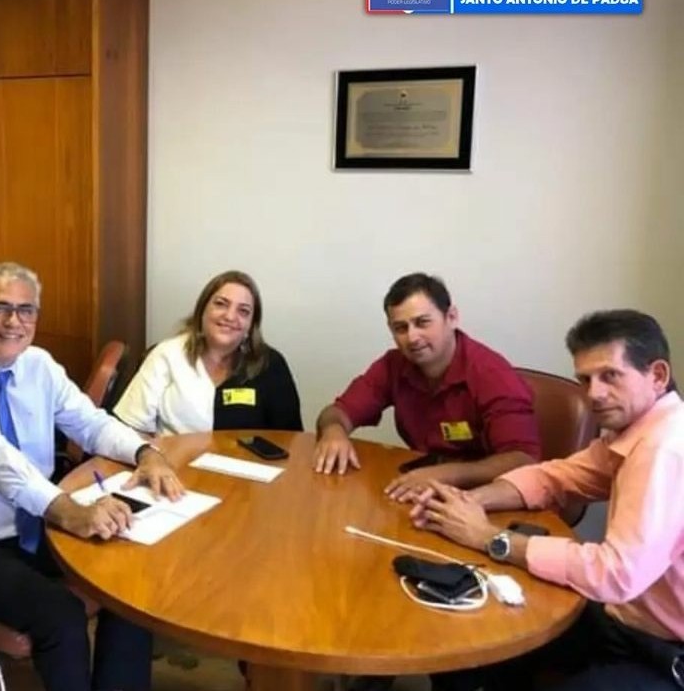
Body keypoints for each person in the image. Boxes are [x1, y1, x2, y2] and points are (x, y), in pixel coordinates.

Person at [0, 262, 185, 691]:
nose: (14, 322)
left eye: (25, 310)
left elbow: (90, 423)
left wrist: (146, 453)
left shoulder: (38, 365)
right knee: (60, 615)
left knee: (130, 579)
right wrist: (67, 511)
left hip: (26, 526)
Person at [411, 308, 684, 690]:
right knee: (468, 643)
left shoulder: (666, 449)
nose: (593, 394)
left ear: (657, 375)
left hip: (665, 653)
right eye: (585, 379)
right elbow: (558, 476)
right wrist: (472, 500)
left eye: (610, 376)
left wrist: (490, 538)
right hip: (623, 619)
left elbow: (614, 573)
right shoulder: (634, 430)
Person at [314, 273, 540, 501]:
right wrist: (334, 431)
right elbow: (337, 412)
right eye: (401, 328)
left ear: (451, 317)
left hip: (487, 498)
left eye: (422, 323)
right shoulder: (393, 365)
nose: (412, 337)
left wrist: (447, 474)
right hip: (425, 490)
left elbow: (524, 460)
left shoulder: (491, 374)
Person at [114, 270, 303, 434]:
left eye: (243, 311)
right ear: (202, 310)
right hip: (174, 462)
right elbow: (129, 428)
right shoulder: (167, 354)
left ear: (251, 325)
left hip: (246, 465)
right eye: (221, 304)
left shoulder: (270, 364)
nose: (230, 316)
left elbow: (290, 439)